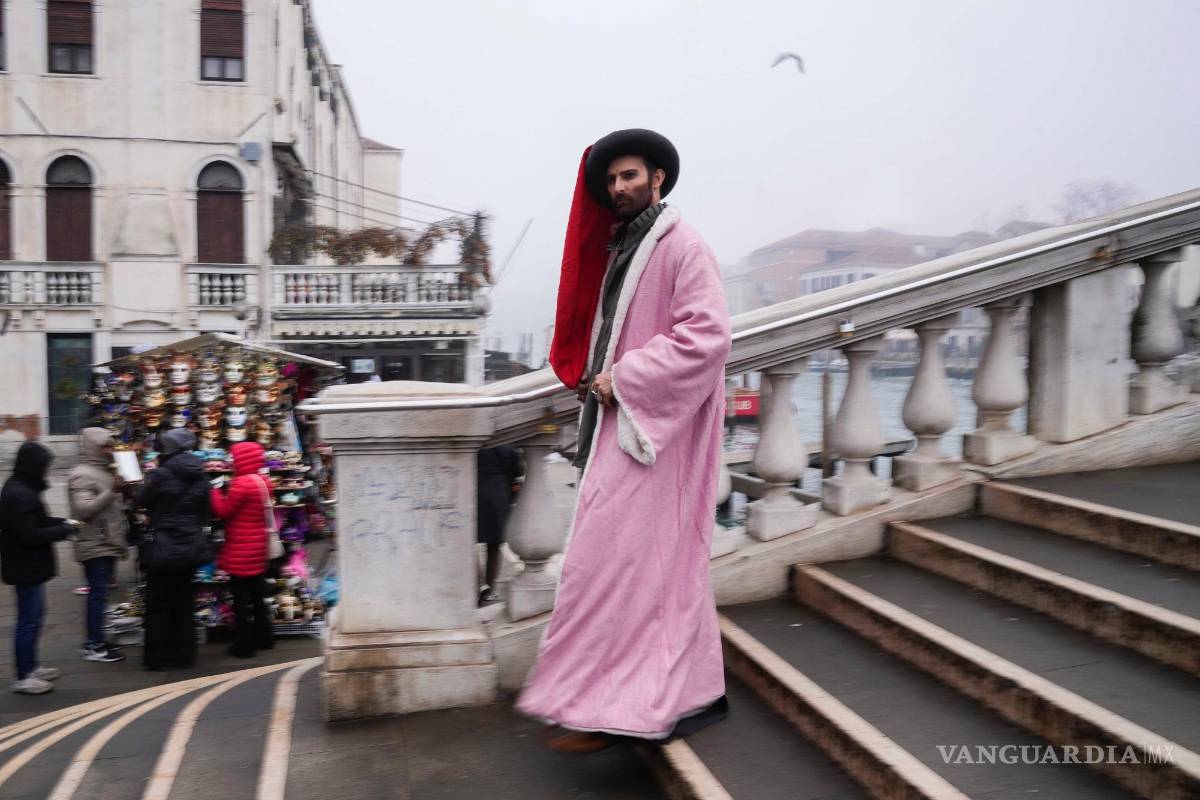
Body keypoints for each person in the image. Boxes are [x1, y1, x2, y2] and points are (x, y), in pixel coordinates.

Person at [516, 130, 732, 752]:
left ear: (658, 177)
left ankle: (609, 709)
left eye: (630, 175)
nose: (618, 187)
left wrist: (625, 379)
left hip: (654, 432)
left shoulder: (683, 245)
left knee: (614, 566)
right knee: (648, 566)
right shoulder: (626, 246)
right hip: (630, 422)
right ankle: (668, 697)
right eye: (612, 179)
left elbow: (708, 335)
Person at [0, 442, 77, 694]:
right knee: (28, 621)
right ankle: (24, 675)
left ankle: (31, 667)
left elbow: (38, 521)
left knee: (34, 617)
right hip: (25, 566)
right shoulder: (20, 494)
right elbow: (30, 534)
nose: (46, 471)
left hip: (28, 565)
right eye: (44, 467)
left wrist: (64, 522)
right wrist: (64, 530)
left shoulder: (22, 488)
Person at [135, 429, 211, 671]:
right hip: (189, 545)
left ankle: (158, 658)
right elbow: (205, 509)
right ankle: (185, 656)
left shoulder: (160, 474)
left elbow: (142, 500)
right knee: (184, 602)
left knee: (158, 603)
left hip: (162, 545)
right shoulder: (200, 474)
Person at [68, 428, 128, 664]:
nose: (110, 451)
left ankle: (99, 638)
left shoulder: (106, 471)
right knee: (98, 595)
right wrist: (112, 491)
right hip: (95, 543)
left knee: (102, 596)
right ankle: (93, 644)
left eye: (111, 446)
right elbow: (83, 509)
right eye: (105, 447)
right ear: (94, 447)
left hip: (108, 541)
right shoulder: (81, 474)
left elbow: (115, 505)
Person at [209, 441, 274, 658]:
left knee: (240, 600)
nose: (232, 461)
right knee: (257, 596)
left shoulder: (241, 484)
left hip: (240, 547)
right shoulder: (264, 482)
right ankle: (265, 638)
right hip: (259, 545)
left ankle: (244, 645)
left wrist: (215, 491)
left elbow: (224, 511)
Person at [476, 445, 524, 605]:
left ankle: (479, 585)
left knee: (467, 546)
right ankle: (489, 591)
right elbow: (517, 474)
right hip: (498, 499)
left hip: (473, 496)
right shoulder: (508, 446)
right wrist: (513, 499)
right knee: (494, 546)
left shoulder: (477, 444)